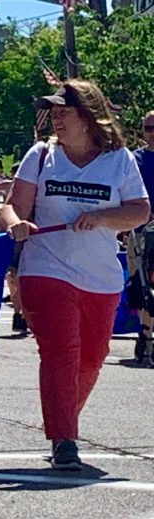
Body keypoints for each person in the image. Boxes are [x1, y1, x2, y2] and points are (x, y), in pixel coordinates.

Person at [0, 80, 150, 470]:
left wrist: (101, 217)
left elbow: (139, 211)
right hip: (45, 269)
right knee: (61, 351)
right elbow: (12, 208)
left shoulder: (118, 160)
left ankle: (65, 417)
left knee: (92, 357)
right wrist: (16, 224)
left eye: (65, 111)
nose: (57, 119)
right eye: (54, 112)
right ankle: (64, 439)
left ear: (88, 115)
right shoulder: (41, 155)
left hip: (100, 276)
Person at [130, 110, 154, 365]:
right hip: (141, 233)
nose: (153, 133)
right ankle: (145, 336)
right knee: (142, 287)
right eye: (149, 128)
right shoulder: (134, 160)